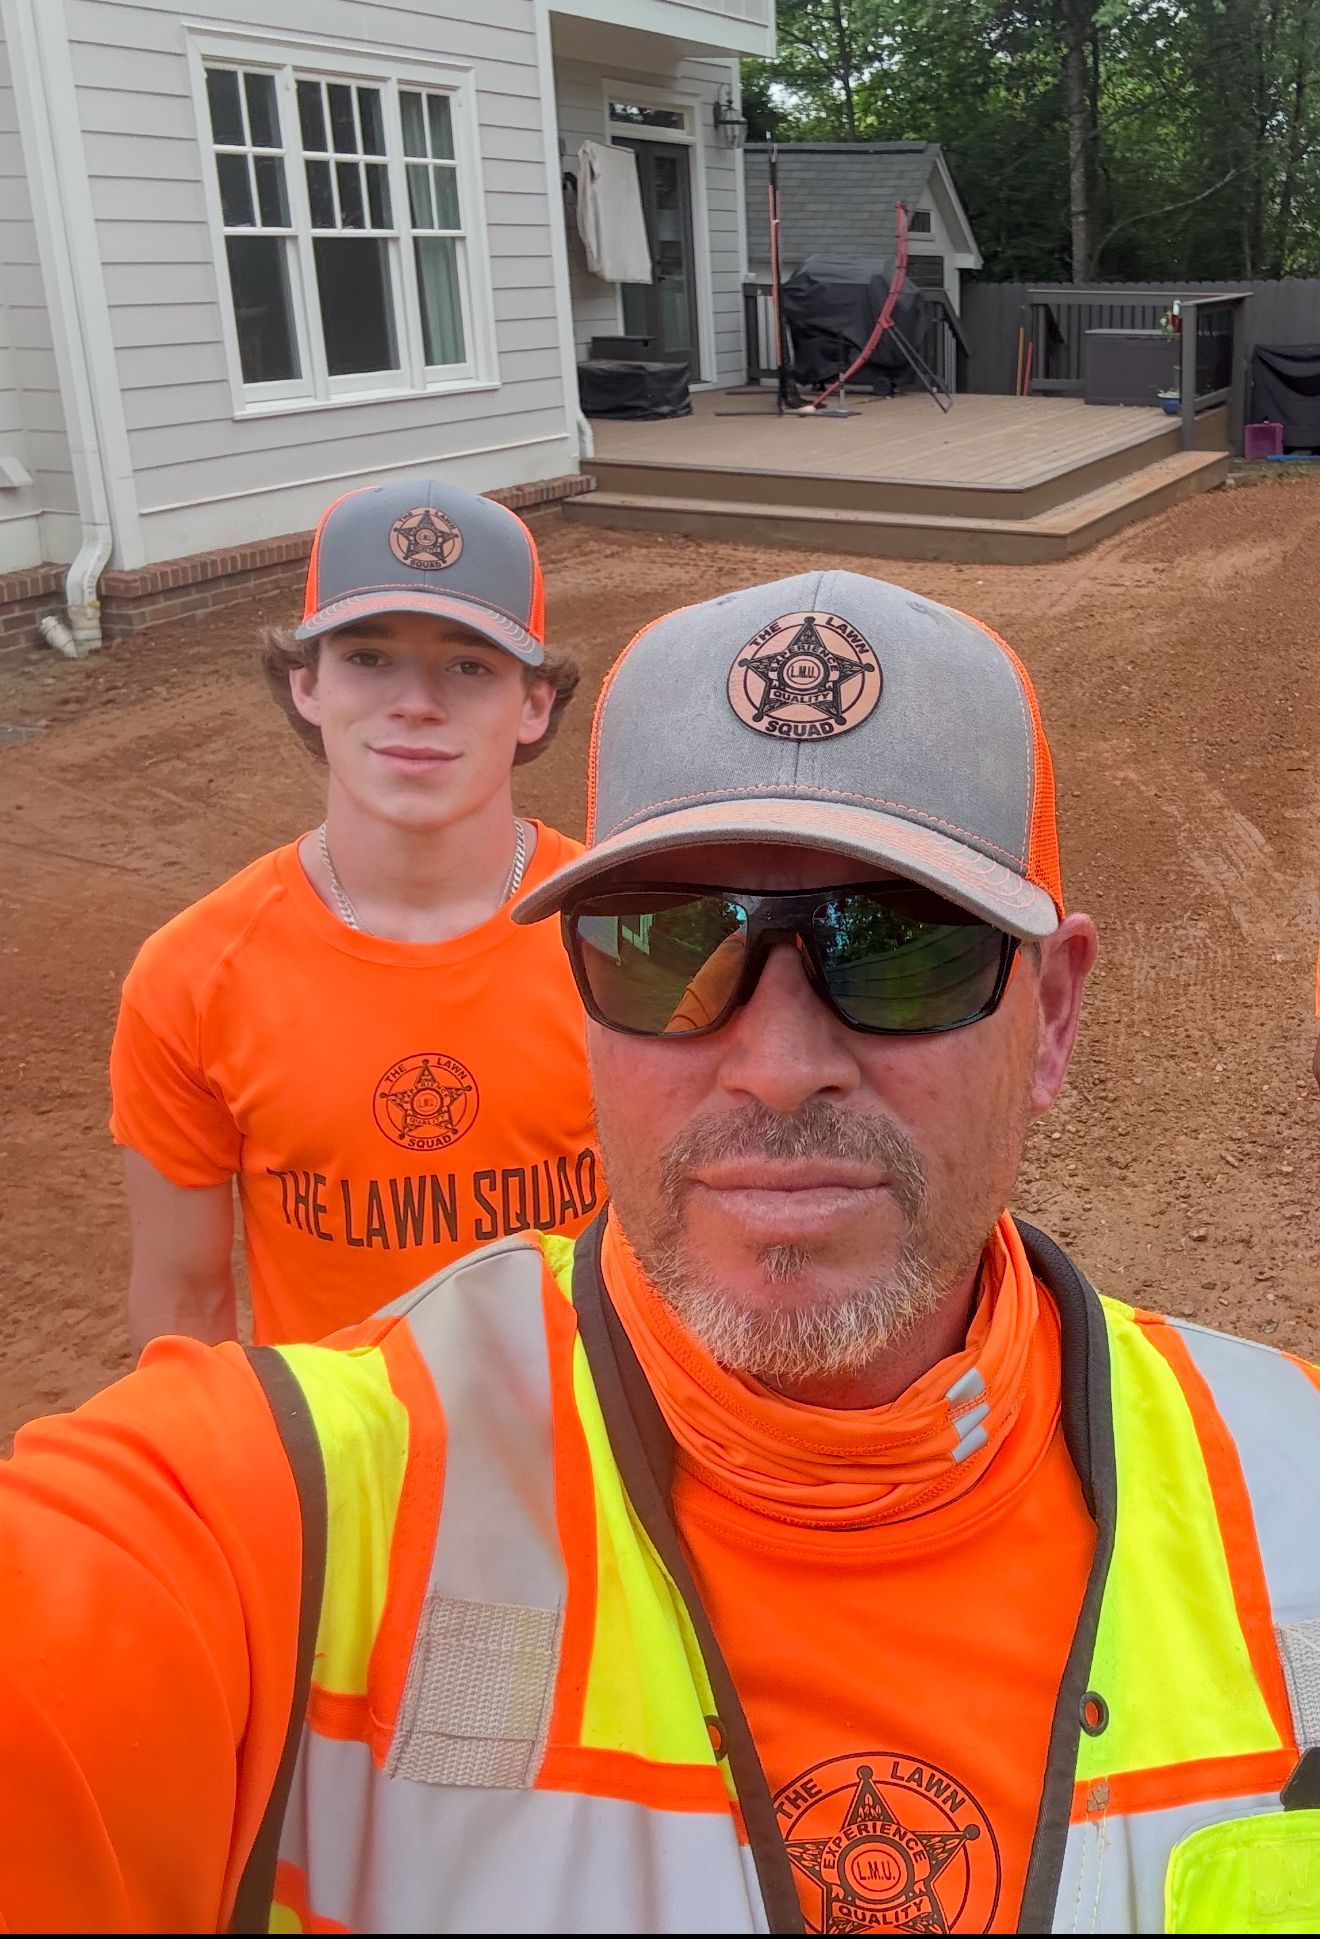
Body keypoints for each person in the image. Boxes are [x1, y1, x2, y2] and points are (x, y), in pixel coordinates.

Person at [6, 572, 1319, 1935]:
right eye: (669, 945)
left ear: (1050, 1015)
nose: (779, 1064)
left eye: (900, 947)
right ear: (578, 1000)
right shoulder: (284, 1514)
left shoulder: (1301, 1491)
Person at [108, 480, 599, 1349]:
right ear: (307, 685)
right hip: (343, 1474)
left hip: (599, 1456)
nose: (415, 700)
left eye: (470, 663)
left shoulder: (619, 934)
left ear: (534, 703)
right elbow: (184, 1309)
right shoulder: (193, 974)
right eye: (368, 657)